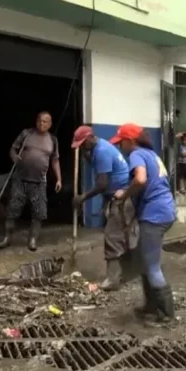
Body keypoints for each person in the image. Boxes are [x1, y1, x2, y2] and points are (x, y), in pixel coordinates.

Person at [110, 123, 177, 325]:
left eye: (120, 143)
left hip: (154, 215)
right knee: (144, 261)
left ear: (129, 141)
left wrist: (124, 194)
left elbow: (140, 180)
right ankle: (151, 307)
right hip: (164, 209)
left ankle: (167, 316)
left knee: (152, 266)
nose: (119, 147)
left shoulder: (136, 155)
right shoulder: (151, 154)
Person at [71, 125, 135, 291]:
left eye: (82, 143)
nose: (81, 147)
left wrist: (83, 197)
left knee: (112, 236)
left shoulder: (102, 152)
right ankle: (126, 273)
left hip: (121, 196)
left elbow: (101, 184)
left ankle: (113, 280)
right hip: (114, 195)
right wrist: (86, 155)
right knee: (122, 236)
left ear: (90, 138)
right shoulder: (94, 150)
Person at [0, 112, 62, 251]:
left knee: (38, 213)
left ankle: (32, 240)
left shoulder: (53, 140)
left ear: (50, 124)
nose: (41, 124)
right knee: (12, 210)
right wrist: (14, 157)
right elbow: (13, 149)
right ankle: (7, 238)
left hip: (39, 182)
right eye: (39, 121)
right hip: (20, 179)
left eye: (45, 122)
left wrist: (59, 179)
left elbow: (55, 161)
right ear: (36, 121)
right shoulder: (26, 134)